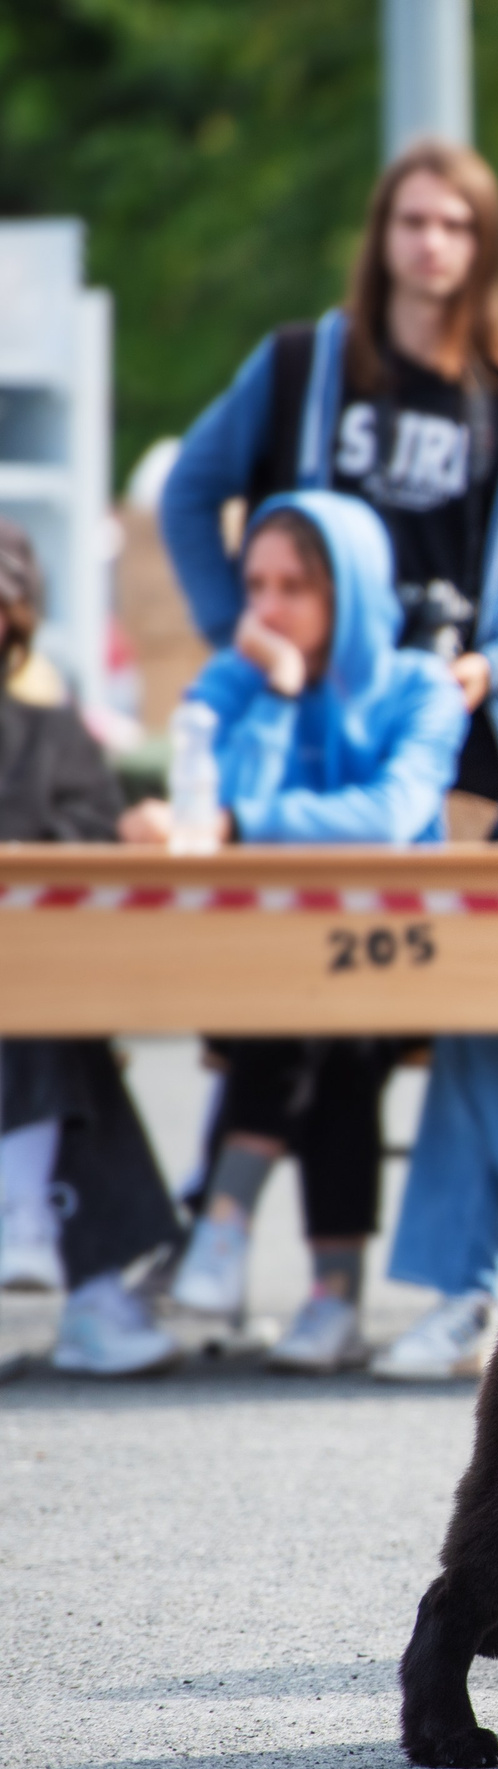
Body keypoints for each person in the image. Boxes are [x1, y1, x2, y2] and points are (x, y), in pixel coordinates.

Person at [158, 137, 498, 1381]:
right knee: (322, 983)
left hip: (468, 734)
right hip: (317, 723)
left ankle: (492, 1265)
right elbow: (194, 493)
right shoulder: (302, 367)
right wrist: (241, 632)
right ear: (382, 234)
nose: (432, 245)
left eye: (457, 224)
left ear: (484, 245)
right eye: (412, 220)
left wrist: (497, 668)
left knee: (483, 993)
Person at [134, 495, 465, 1369]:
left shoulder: (417, 686)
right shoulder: (242, 677)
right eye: (255, 585)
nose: (268, 610)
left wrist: (247, 822)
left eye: (295, 586)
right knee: (311, 1008)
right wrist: (275, 692)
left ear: (349, 589)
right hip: (259, 964)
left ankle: (223, 1223)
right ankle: (330, 1296)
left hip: (404, 957)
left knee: (333, 1007)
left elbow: (392, 814)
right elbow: (207, 808)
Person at [0, 518, 188, 1374]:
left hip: (34, 961)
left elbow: (87, 834)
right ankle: (85, 1281)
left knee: (44, 1003)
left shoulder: (49, 726)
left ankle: (60, 1255)